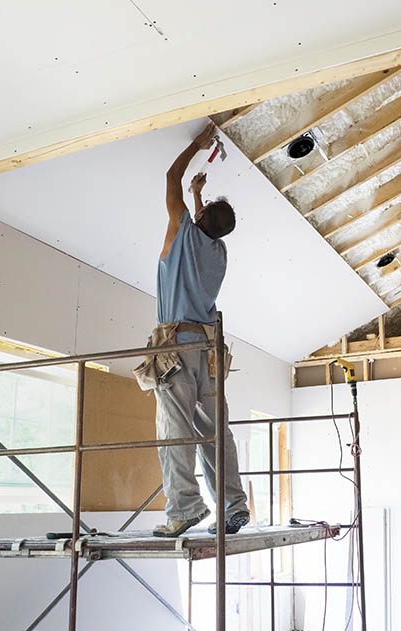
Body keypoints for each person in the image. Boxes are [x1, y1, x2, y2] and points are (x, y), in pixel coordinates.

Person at [151, 122, 249, 538]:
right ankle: (233, 505)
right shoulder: (219, 252)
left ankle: (185, 508)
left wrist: (197, 144)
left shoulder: (181, 234)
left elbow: (170, 177)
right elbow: (204, 223)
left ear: (200, 217)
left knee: (175, 428)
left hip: (176, 348)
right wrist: (197, 194)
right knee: (214, 431)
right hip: (210, 353)